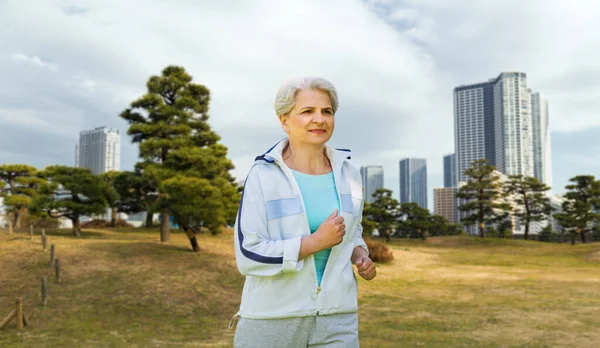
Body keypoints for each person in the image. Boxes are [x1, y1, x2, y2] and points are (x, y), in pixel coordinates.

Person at [231, 77, 376, 348]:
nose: (319, 119)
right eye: (307, 111)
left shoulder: (350, 174)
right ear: (284, 121)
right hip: (272, 319)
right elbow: (248, 254)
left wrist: (360, 255)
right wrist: (314, 243)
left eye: (327, 111)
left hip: (338, 317)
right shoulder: (262, 175)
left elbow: (352, 232)